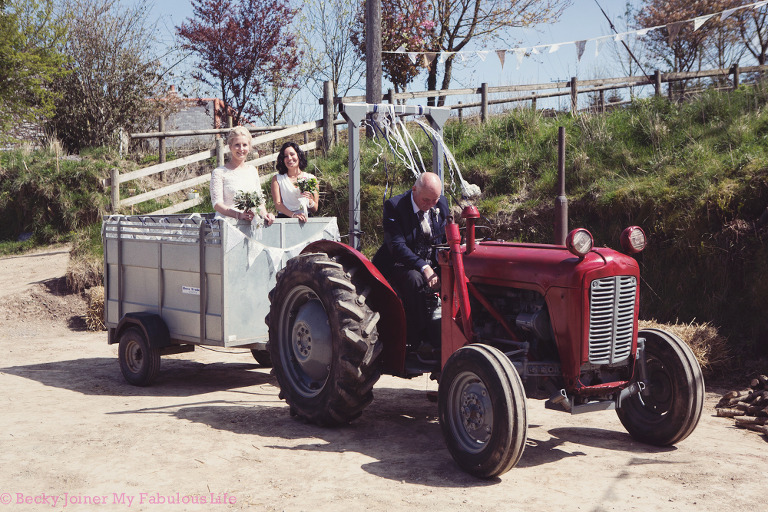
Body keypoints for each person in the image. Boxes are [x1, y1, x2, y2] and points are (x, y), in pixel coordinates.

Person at [372, 172, 449, 361]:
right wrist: (424, 267)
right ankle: (421, 339)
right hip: (399, 264)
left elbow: (446, 239)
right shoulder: (394, 206)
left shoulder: (441, 204)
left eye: (435, 200)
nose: (431, 205)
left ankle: (449, 332)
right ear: (414, 190)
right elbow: (397, 247)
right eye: (426, 200)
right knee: (415, 280)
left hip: (431, 261)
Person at [210, 126, 275, 225]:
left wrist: (265, 214)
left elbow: (259, 202)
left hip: (252, 224)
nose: (241, 149)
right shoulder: (219, 172)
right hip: (228, 225)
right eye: (237, 145)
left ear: (249, 147)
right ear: (230, 147)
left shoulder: (252, 171)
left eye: (244, 145)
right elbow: (217, 204)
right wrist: (238, 215)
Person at [271, 142, 320, 222]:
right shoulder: (277, 179)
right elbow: (278, 204)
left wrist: (309, 200)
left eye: (292, 154)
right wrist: (294, 215)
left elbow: (315, 209)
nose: (289, 158)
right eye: (286, 156)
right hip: (285, 219)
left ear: (298, 155)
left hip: (305, 220)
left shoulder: (311, 178)